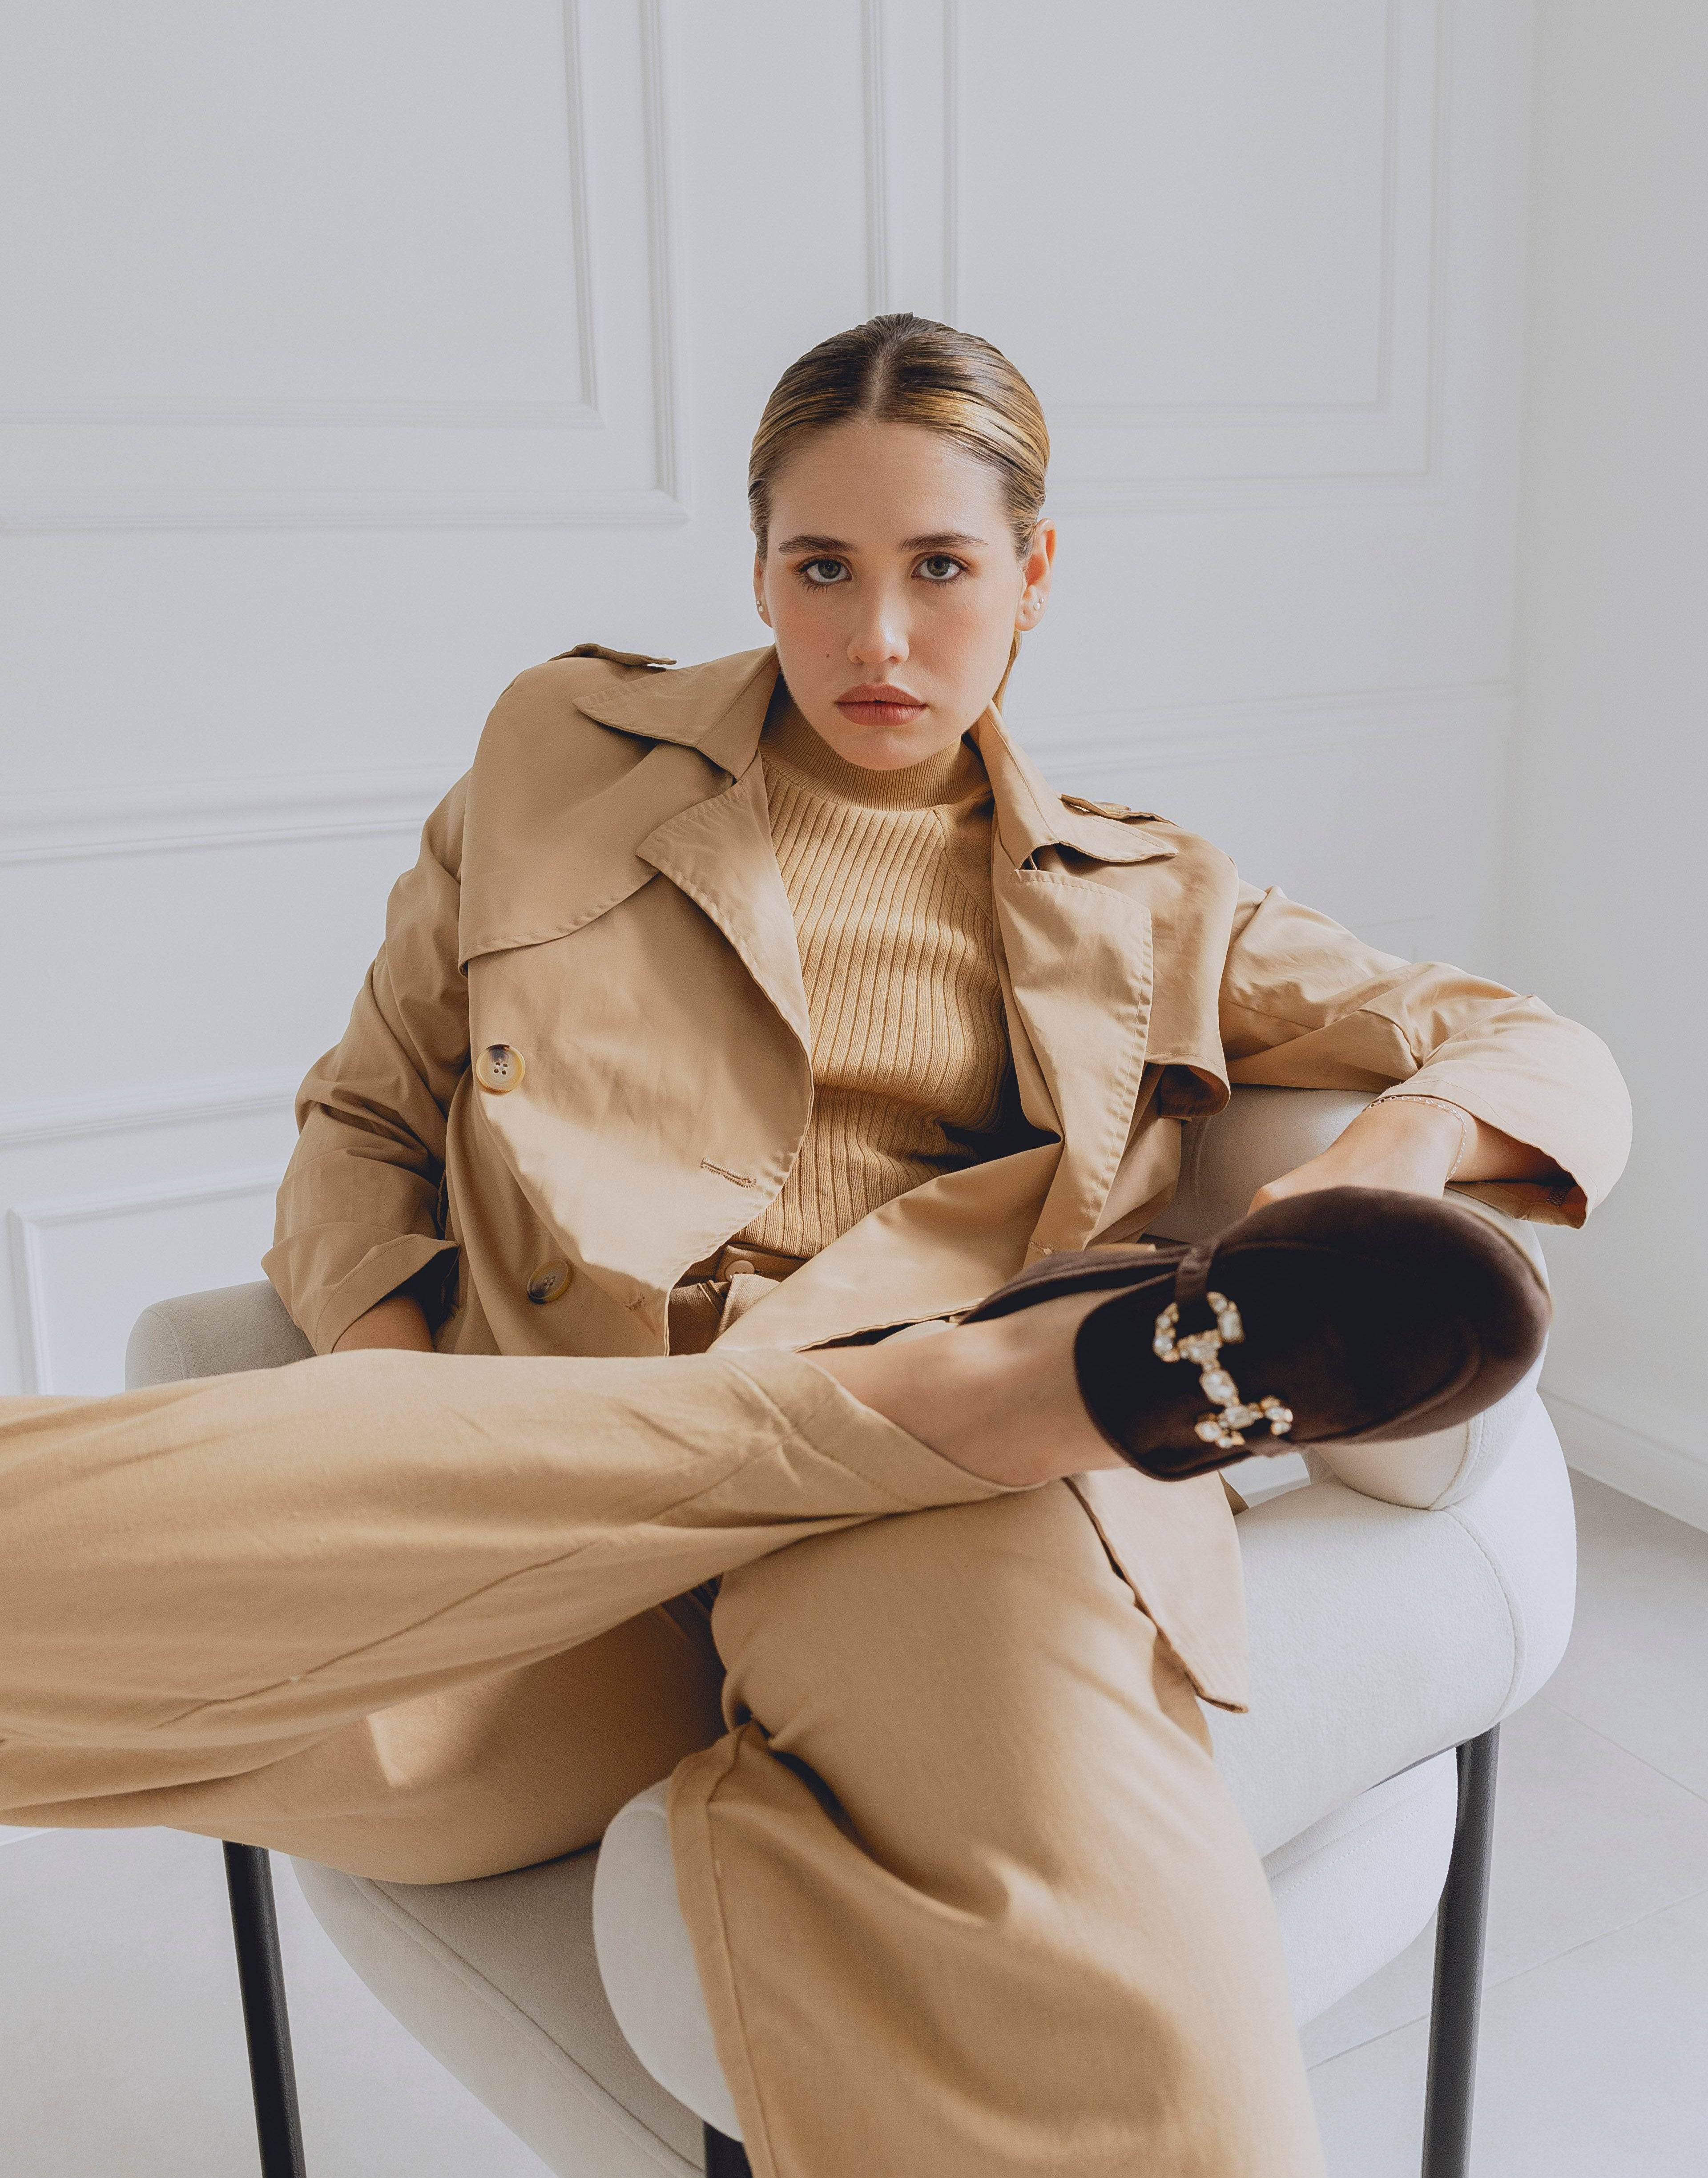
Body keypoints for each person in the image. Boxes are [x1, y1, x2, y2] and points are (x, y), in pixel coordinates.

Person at [1, 316, 1629, 2177]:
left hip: (927, 1535)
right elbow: (365, 1115)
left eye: (940, 569)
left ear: (1030, 576)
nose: (877, 638)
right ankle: (988, 1394)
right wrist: (401, 1418)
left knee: (1064, 1883)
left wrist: (1371, 1176)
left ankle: (970, 1402)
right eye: (822, 567)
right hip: (563, 1513)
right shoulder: (558, 754)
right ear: (757, 563)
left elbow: (1535, 1040)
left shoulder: (1156, 895)